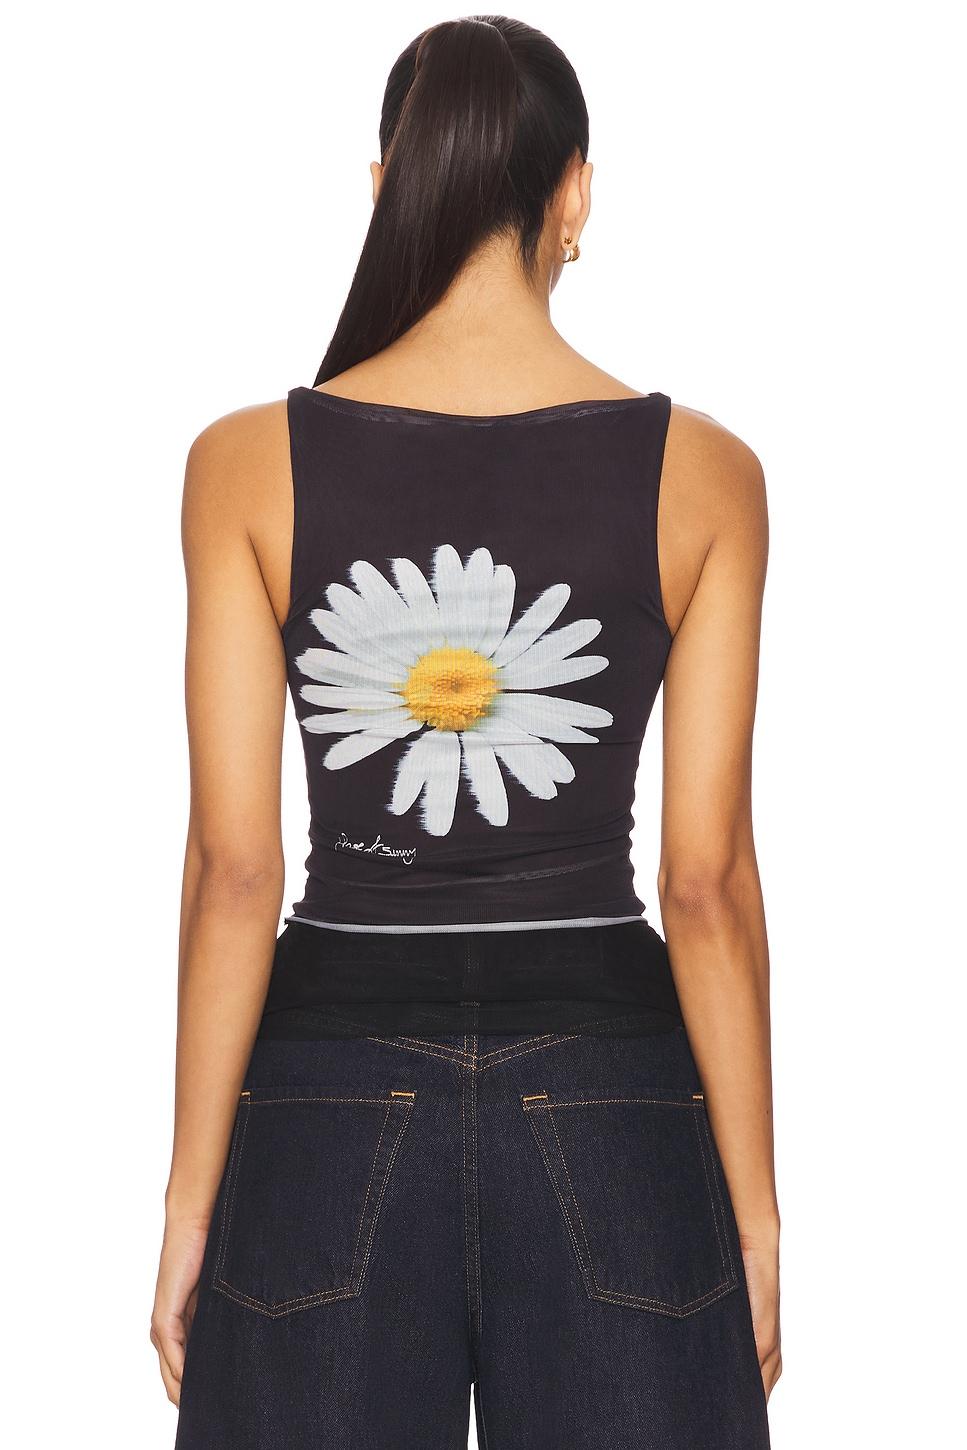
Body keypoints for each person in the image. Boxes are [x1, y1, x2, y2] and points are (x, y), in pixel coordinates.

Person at [151, 14, 781, 1448]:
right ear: (576, 192)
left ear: (386, 185)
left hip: (323, 1096)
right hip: (615, 1095)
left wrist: (190, 1203)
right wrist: (752, 1212)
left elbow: (235, 870)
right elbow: (707, 883)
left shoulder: (244, 463)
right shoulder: (707, 475)